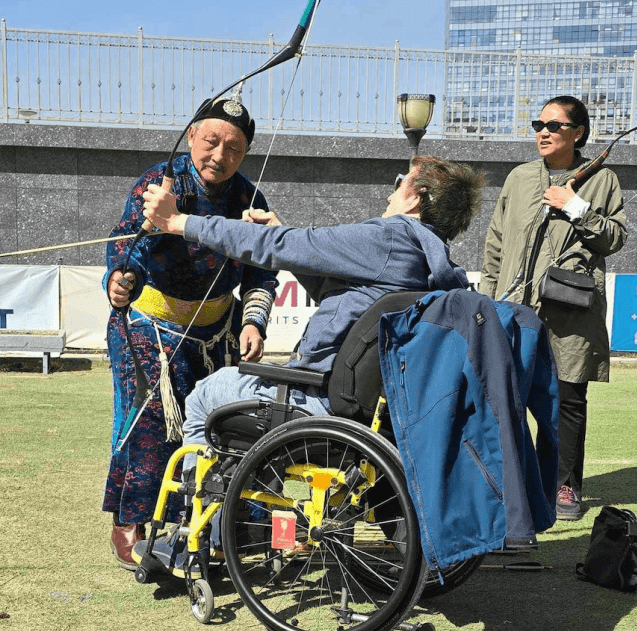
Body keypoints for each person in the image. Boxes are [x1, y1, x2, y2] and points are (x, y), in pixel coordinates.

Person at [142, 156, 486, 552]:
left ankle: (195, 534)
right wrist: (282, 236)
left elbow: (282, 245)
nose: (391, 191)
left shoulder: (390, 237)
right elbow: (336, 293)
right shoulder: (430, 262)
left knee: (206, 393)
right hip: (368, 410)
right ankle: (244, 525)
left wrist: (179, 222)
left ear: (415, 197)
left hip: (318, 401)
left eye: (399, 181)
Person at [103, 94, 278, 569]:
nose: (220, 156)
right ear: (193, 134)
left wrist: (252, 320)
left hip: (217, 331)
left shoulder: (249, 198)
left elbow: (262, 270)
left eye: (235, 148)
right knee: (152, 423)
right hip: (149, 327)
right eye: (211, 141)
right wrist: (121, 280)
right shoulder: (159, 182)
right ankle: (132, 521)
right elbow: (127, 246)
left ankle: (199, 522)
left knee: (218, 427)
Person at [479, 95, 627, 521]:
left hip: (569, 314)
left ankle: (564, 487)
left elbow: (614, 238)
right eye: (537, 124)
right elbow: (495, 243)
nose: (543, 132)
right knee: (506, 397)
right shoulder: (520, 178)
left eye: (554, 125)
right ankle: (513, 483)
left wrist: (576, 208)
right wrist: (490, 298)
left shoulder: (603, 180)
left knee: (566, 400)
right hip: (512, 308)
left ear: (578, 133)